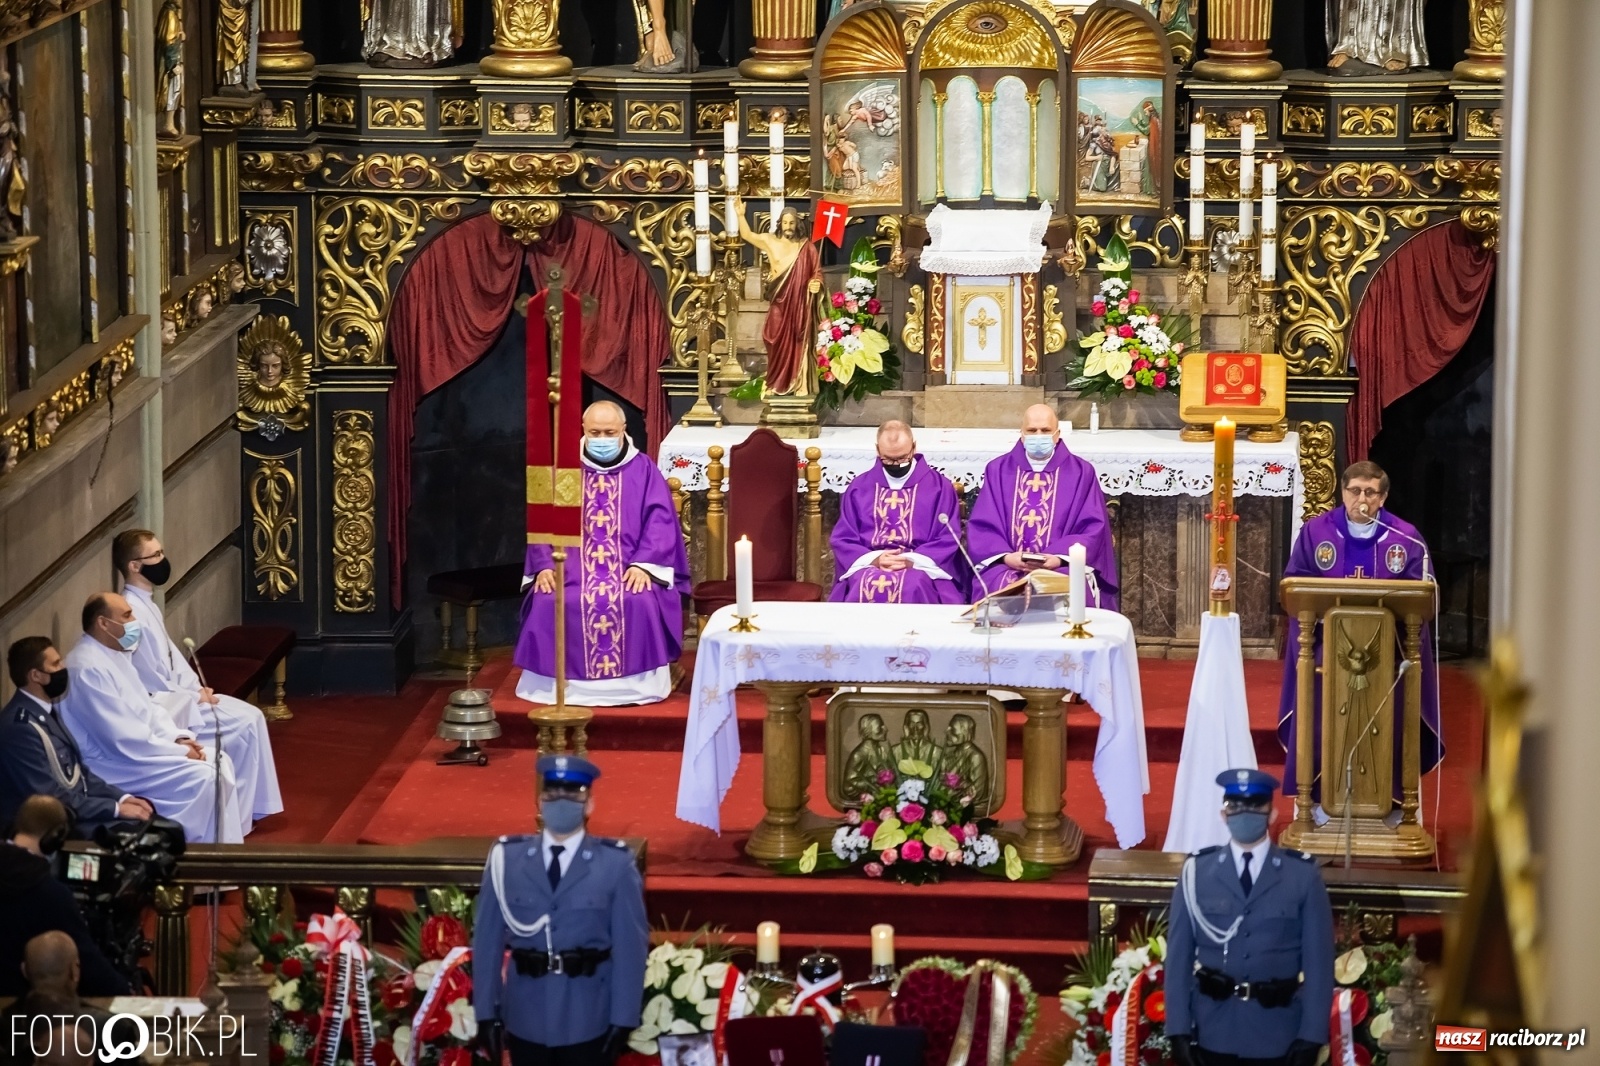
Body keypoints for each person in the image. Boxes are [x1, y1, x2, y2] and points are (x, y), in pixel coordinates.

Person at [1276, 461, 1441, 819]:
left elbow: (1422, 597)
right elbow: (1294, 588)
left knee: (1393, 722)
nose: (1361, 499)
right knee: (1321, 723)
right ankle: (1318, 801)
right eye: (1354, 491)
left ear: (1382, 497)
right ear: (1342, 492)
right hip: (1326, 655)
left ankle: (1396, 802)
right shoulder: (1316, 532)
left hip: (1389, 656)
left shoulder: (1406, 538)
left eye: (1370, 492)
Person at [472, 755, 648, 1066]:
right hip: (526, 1014)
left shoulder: (615, 864)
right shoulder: (507, 861)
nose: (561, 801)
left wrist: (624, 1019)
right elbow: (487, 943)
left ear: (589, 804)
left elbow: (631, 949)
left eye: (573, 794)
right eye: (552, 794)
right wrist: (486, 1013)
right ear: (540, 801)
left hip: (588, 1015)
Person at [514, 402, 690, 707]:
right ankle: (551, 686)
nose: (602, 438)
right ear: (583, 430)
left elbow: (660, 521)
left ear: (624, 431)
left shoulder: (644, 469)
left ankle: (637, 686)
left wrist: (645, 566)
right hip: (569, 570)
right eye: (595, 432)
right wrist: (543, 565)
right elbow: (541, 520)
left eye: (609, 432)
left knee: (638, 598)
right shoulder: (564, 470)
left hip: (627, 567)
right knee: (549, 599)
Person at [114, 530, 283, 829]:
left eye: (162, 553)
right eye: (155, 556)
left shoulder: (147, 603)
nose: (163, 560)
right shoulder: (132, 611)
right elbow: (150, 676)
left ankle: (248, 812)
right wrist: (193, 697)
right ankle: (240, 818)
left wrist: (196, 687)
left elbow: (171, 659)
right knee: (245, 723)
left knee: (251, 718)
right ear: (134, 566)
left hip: (184, 693)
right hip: (168, 704)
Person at [1165, 769, 1333, 1066]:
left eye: (1256, 806)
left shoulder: (1302, 876)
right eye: (1236, 806)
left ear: (1272, 814)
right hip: (1213, 1030)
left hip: (1278, 1033)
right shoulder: (1196, 873)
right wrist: (1178, 1031)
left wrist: (1312, 1035)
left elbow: (1319, 964)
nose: (1245, 813)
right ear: (1223, 813)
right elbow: (1178, 958)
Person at [61, 594, 246, 844]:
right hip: (111, 762)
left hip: (136, 751)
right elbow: (120, 736)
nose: (134, 621)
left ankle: (223, 857)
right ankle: (189, 858)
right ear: (103, 623)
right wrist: (178, 751)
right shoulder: (86, 668)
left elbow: (149, 708)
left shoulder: (114, 655)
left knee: (219, 759)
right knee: (205, 776)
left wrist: (179, 737)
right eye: (126, 616)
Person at [966, 404, 1119, 608]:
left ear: (1057, 434)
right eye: (1032, 430)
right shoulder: (998, 470)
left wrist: (1057, 557)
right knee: (995, 583)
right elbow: (983, 525)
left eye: (1045, 431)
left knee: (1072, 585)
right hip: (1007, 564)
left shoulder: (1081, 472)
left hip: (1060, 566)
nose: (1038, 436)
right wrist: (1007, 556)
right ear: (1021, 434)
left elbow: (1092, 528)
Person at [2, 638, 152, 834]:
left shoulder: (44, 711)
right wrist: (115, 809)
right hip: (48, 828)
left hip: (74, 813)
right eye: (55, 664)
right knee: (146, 835)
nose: (63, 667)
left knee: (159, 828)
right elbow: (49, 796)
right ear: (36, 675)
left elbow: (79, 774)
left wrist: (121, 798)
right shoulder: (20, 727)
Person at [0, 799, 130, 998]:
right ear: (56, 836)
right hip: (27, 1016)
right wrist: (125, 990)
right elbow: (91, 970)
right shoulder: (49, 894)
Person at [831, 421, 966, 604]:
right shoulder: (859, 488)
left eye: (902, 458)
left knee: (913, 584)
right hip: (870, 563)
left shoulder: (939, 488)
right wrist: (876, 559)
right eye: (888, 459)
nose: (896, 464)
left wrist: (911, 560)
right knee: (861, 582)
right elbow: (844, 537)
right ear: (878, 450)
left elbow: (948, 537)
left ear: (914, 447)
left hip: (920, 565)